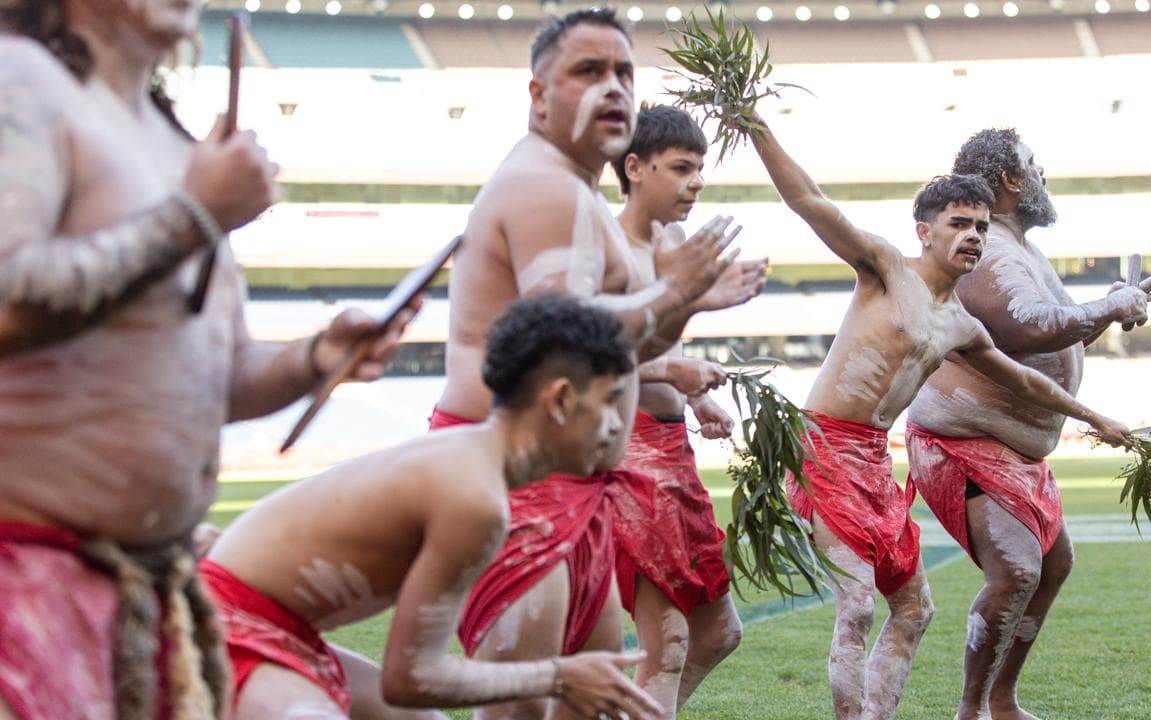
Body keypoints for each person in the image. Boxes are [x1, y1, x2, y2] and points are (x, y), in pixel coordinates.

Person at [0, 2, 415, 717]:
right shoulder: (22, 80)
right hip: (25, 581)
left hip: (148, 592)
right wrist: (195, 214)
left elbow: (216, 380)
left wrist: (315, 357)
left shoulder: (174, 139)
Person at [431, 9, 761, 720]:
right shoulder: (543, 186)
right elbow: (566, 342)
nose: (613, 87)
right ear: (539, 97)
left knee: (598, 697)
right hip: (510, 478)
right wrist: (678, 295)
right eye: (587, 71)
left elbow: (619, 355)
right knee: (528, 705)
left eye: (623, 72)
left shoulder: (572, 192)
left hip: (569, 482)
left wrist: (681, 308)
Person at [744, 117, 1131, 720]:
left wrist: (1095, 418)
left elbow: (1025, 378)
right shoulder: (885, 269)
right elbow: (808, 200)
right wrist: (758, 127)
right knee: (858, 606)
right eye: (959, 224)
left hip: (873, 457)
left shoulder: (959, 325)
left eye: (980, 225)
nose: (974, 236)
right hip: (823, 446)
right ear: (924, 231)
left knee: (916, 610)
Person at [201, 296, 662, 720]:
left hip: (267, 622)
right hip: (227, 624)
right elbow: (411, 678)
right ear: (559, 399)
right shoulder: (474, 495)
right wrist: (559, 676)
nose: (617, 426)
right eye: (608, 402)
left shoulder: (470, 462)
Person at [905, 128, 1150, 720]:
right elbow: (1028, 326)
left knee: (1052, 564)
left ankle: (1002, 697)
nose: (1044, 176)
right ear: (1012, 180)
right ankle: (973, 710)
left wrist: (1114, 303)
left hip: (1013, 445)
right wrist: (1108, 308)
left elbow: (1060, 325)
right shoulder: (986, 249)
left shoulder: (1019, 248)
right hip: (964, 440)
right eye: (1034, 166)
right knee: (1016, 569)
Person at [606, 105, 764, 717]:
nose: (696, 182)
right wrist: (672, 373)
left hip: (674, 448)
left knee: (719, 632)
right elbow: (583, 355)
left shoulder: (672, 243)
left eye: (700, 169)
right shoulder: (608, 244)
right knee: (668, 645)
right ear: (635, 168)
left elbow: (662, 339)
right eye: (681, 168)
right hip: (628, 449)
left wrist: (696, 397)